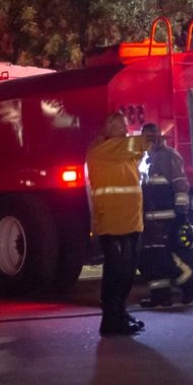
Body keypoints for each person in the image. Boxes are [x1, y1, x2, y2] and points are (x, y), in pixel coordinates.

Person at [85, 111, 148, 335]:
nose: (124, 128)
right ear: (106, 128)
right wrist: (150, 137)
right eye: (118, 124)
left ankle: (119, 312)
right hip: (113, 223)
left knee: (128, 272)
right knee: (116, 272)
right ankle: (110, 320)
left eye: (125, 124)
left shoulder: (121, 151)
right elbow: (138, 145)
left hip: (131, 221)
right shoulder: (101, 150)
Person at [138, 121, 193, 307]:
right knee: (150, 258)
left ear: (158, 137)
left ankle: (189, 283)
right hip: (149, 219)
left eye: (152, 137)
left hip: (167, 218)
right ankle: (160, 294)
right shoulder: (143, 159)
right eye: (145, 137)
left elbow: (181, 186)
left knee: (164, 257)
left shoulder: (169, 156)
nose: (149, 141)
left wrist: (182, 215)